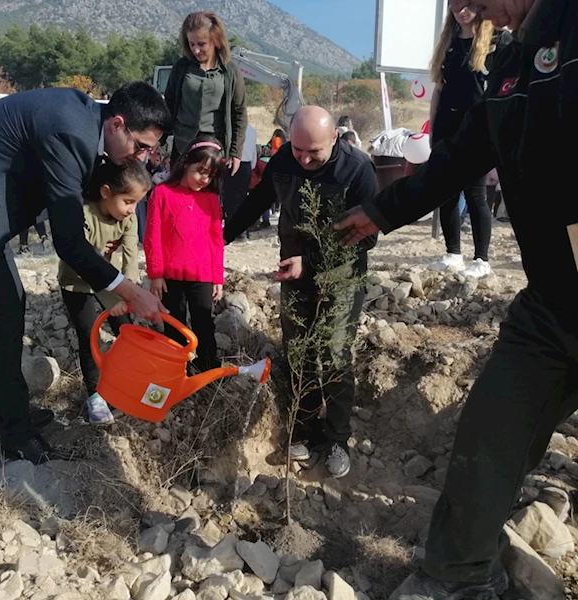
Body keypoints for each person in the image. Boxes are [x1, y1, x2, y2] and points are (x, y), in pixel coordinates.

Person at [334, 1, 577, 597]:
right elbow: (461, 157)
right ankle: (457, 578)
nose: (465, 7)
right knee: (491, 434)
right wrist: (380, 210)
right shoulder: (512, 63)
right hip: (553, 304)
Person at [0, 82, 172, 464]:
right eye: (140, 146)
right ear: (118, 124)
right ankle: (16, 434)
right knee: (3, 316)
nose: (141, 156)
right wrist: (131, 292)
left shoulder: (84, 123)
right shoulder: (72, 132)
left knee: (9, 307)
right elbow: (69, 242)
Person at [225, 106, 378, 479]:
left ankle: (338, 438)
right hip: (294, 276)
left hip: (340, 280)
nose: (305, 160)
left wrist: (309, 263)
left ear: (335, 139)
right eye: (298, 151)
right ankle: (306, 431)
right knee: (299, 354)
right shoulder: (284, 159)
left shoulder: (358, 169)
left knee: (335, 356)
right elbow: (258, 200)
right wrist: (220, 238)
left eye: (315, 153)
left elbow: (366, 238)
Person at [59, 159, 151, 426]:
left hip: (110, 280)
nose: (132, 209)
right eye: (128, 201)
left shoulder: (128, 218)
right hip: (76, 282)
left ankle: (127, 380)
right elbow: (82, 264)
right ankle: (95, 395)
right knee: (89, 336)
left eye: (137, 203)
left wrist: (130, 292)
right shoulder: (83, 215)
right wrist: (113, 300)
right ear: (106, 192)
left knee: (127, 330)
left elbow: (131, 256)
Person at [427, 4, 509, 278]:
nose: (461, 10)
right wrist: (432, 130)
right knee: (446, 192)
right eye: (454, 4)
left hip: (476, 128)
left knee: (475, 194)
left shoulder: (497, 41)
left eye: (467, 3)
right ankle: (453, 253)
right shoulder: (448, 43)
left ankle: (482, 259)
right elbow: (438, 89)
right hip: (446, 127)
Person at [145, 135, 225, 372]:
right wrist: (155, 274)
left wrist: (217, 277)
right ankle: (176, 369)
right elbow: (152, 237)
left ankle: (208, 367)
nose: (204, 179)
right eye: (200, 171)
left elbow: (216, 241)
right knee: (173, 323)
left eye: (210, 175)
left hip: (202, 275)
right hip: (170, 275)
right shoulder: (162, 194)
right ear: (186, 162)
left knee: (204, 322)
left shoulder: (211, 199)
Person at [164, 11, 248, 222]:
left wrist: (235, 152)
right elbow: (169, 105)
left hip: (213, 149)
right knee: (178, 198)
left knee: (207, 202)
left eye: (201, 44)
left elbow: (239, 113)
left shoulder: (231, 72)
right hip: (182, 146)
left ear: (216, 40)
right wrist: (161, 140)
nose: (196, 50)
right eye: (191, 44)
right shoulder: (181, 67)